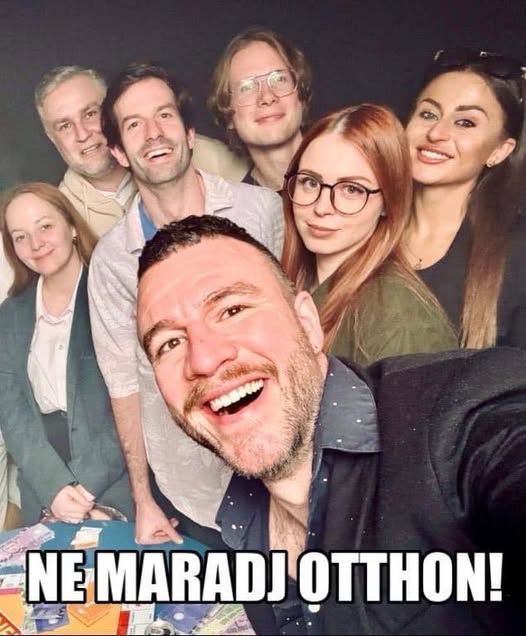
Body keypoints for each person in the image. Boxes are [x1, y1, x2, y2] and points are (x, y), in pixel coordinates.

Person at [136, 214, 526, 635]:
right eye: (169, 343)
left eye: (232, 310)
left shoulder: (458, 412)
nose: (203, 359)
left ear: (306, 323)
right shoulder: (242, 520)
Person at [88, 62, 284, 544]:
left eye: (164, 115)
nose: (154, 133)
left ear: (189, 131)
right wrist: (143, 498)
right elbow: (122, 383)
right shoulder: (111, 261)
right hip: (195, 491)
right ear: (118, 150)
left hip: (285, 464)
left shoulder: (261, 211)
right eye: (134, 124)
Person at [0, 182, 133, 525]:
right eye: (20, 236)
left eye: (45, 226)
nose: (36, 244)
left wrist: (85, 490)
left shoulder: (116, 296)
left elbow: (136, 404)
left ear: (71, 226)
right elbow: (14, 417)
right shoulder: (9, 315)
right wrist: (55, 490)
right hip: (45, 491)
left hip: (120, 483)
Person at [282, 104, 457, 365]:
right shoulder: (299, 284)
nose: (321, 207)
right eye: (310, 182)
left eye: (352, 189)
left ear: (388, 202)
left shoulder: (398, 317)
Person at [404, 47, 526, 348]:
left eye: (465, 122)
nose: (436, 133)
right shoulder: (362, 223)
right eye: (428, 114)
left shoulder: (517, 253)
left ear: (500, 151)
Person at [35, 65, 248, 237]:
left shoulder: (204, 154)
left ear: (112, 112)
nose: (82, 134)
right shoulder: (58, 216)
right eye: (64, 126)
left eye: (90, 114)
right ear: (51, 138)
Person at [208, 27, 311, 190]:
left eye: (279, 79)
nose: (267, 97)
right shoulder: (240, 204)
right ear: (228, 115)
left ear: (300, 95)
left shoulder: (351, 161)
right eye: (247, 87)